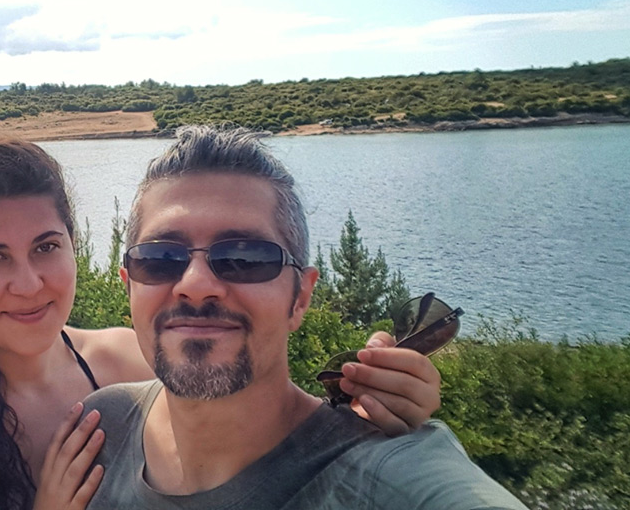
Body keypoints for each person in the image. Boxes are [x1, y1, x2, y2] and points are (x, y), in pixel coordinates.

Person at [0, 136, 445, 510]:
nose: (28, 283)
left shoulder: (131, 368)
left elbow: (259, 423)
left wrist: (365, 404)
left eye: (46, 247)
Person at [81, 125, 526, 509]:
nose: (195, 283)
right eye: (160, 258)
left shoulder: (382, 474)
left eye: (246, 258)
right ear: (129, 286)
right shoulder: (98, 432)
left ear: (300, 297)